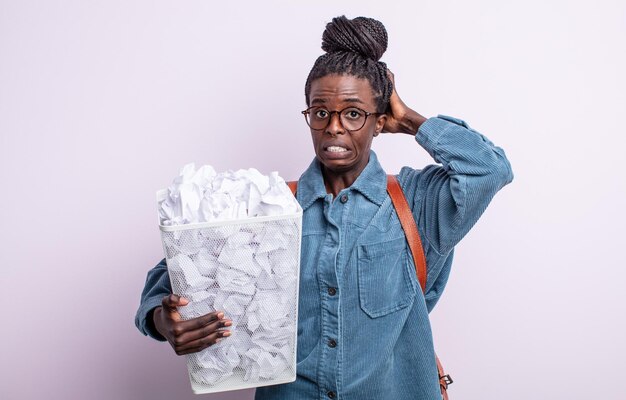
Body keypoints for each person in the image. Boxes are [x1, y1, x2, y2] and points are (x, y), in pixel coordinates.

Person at [135, 15, 513, 400]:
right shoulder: (267, 204)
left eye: (353, 113)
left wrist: (410, 118)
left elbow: (489, 169)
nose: (334, 127)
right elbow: (176, 271)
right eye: (320, 112)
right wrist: (164, 321)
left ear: (380, 122)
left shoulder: (418, 201)